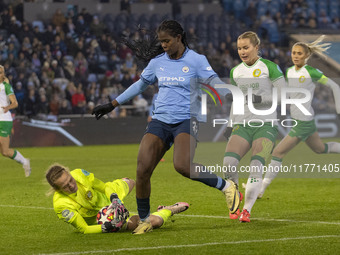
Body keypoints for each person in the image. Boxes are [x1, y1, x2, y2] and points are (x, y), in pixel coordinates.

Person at [92, 20, 240, 234]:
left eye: (167, 41)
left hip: (187, 119)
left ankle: (227, 187)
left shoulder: (196, 60)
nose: (163, 45)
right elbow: (140, 85)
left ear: (179, 38)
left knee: (182, 165)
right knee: (142, 170)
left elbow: (215, 83)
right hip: (160, 120)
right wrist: (112, 104)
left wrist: (233, 94)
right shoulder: (157, 62)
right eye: (161, 42)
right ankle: (144, 221)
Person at [259, 35, 340, 198]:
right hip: (302, 120)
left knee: (277, 153)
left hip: (303, 121)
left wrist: (338, 108)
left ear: (307, 56)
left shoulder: (311, 71)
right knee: (320, 149)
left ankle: (260, 189)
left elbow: (334, 85)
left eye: (299, 54)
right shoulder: (289, 71)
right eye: (294, 53)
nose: (295, 56)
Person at [223, 31, 286, 222]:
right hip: (242, 124)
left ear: (256, 47)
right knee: (228, 165)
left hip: (266, 125)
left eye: (246, 47)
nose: (242, 51)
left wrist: (260, 99)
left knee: (256, 165)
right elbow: (236, 100)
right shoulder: (236, 71)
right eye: (239, 48)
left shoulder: (269, 67)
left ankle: (247, 210)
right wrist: (229, 123)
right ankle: (236, 197)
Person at [45, 163, 189, 234]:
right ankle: (167, 210)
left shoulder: (79, 174)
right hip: (103, 219)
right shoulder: (61, 205)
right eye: (65, 186)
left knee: (132, 182)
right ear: (58, 190)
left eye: (70, 180)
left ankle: (122, 182)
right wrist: (108, 226)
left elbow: (103, 186)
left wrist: (114, 197)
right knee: (154, 222)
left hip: (108, 198)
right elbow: (84, 229)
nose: (71, 185)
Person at [0, 65, 31, 177]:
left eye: (1, 72)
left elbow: (15, 103)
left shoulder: (6, 86)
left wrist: (7, 107)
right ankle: (25, 161)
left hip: (4, 120)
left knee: (6, 150)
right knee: (4, 152)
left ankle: (25, 161)